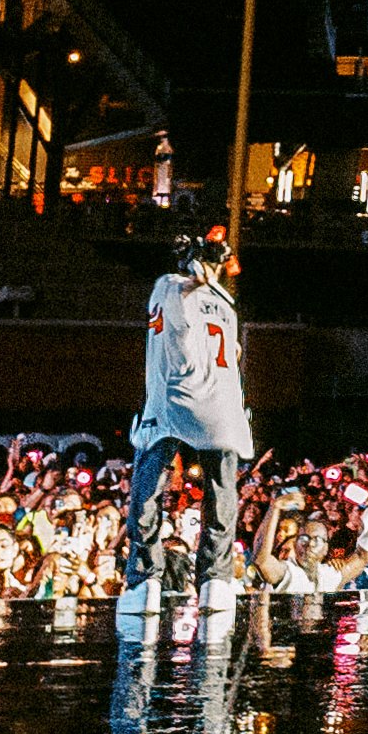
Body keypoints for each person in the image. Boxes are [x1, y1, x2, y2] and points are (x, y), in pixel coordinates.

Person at [122, 229, 255, 614]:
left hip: (175, 396)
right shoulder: (226, 302)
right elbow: (236, 350)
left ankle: (145, 577)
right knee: (222, 490)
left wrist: (194, 275)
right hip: (224, 405)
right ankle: (216, 579)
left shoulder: (168, 285)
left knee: (149, 479)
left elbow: (175, 313)